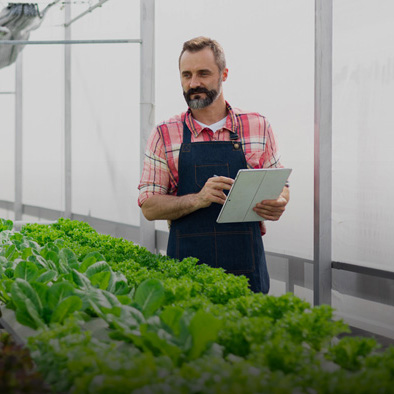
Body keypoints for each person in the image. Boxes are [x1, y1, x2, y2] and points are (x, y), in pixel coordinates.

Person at [138, 36, 289, 293]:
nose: (193, 83)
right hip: (186, 275)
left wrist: (279, 202)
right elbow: (149, 206)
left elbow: (281, 186)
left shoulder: (257, 126)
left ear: (224, 74)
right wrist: (197, 199)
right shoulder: (165, 133)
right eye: (186, 75)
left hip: (247, 271)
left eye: (203, 73)